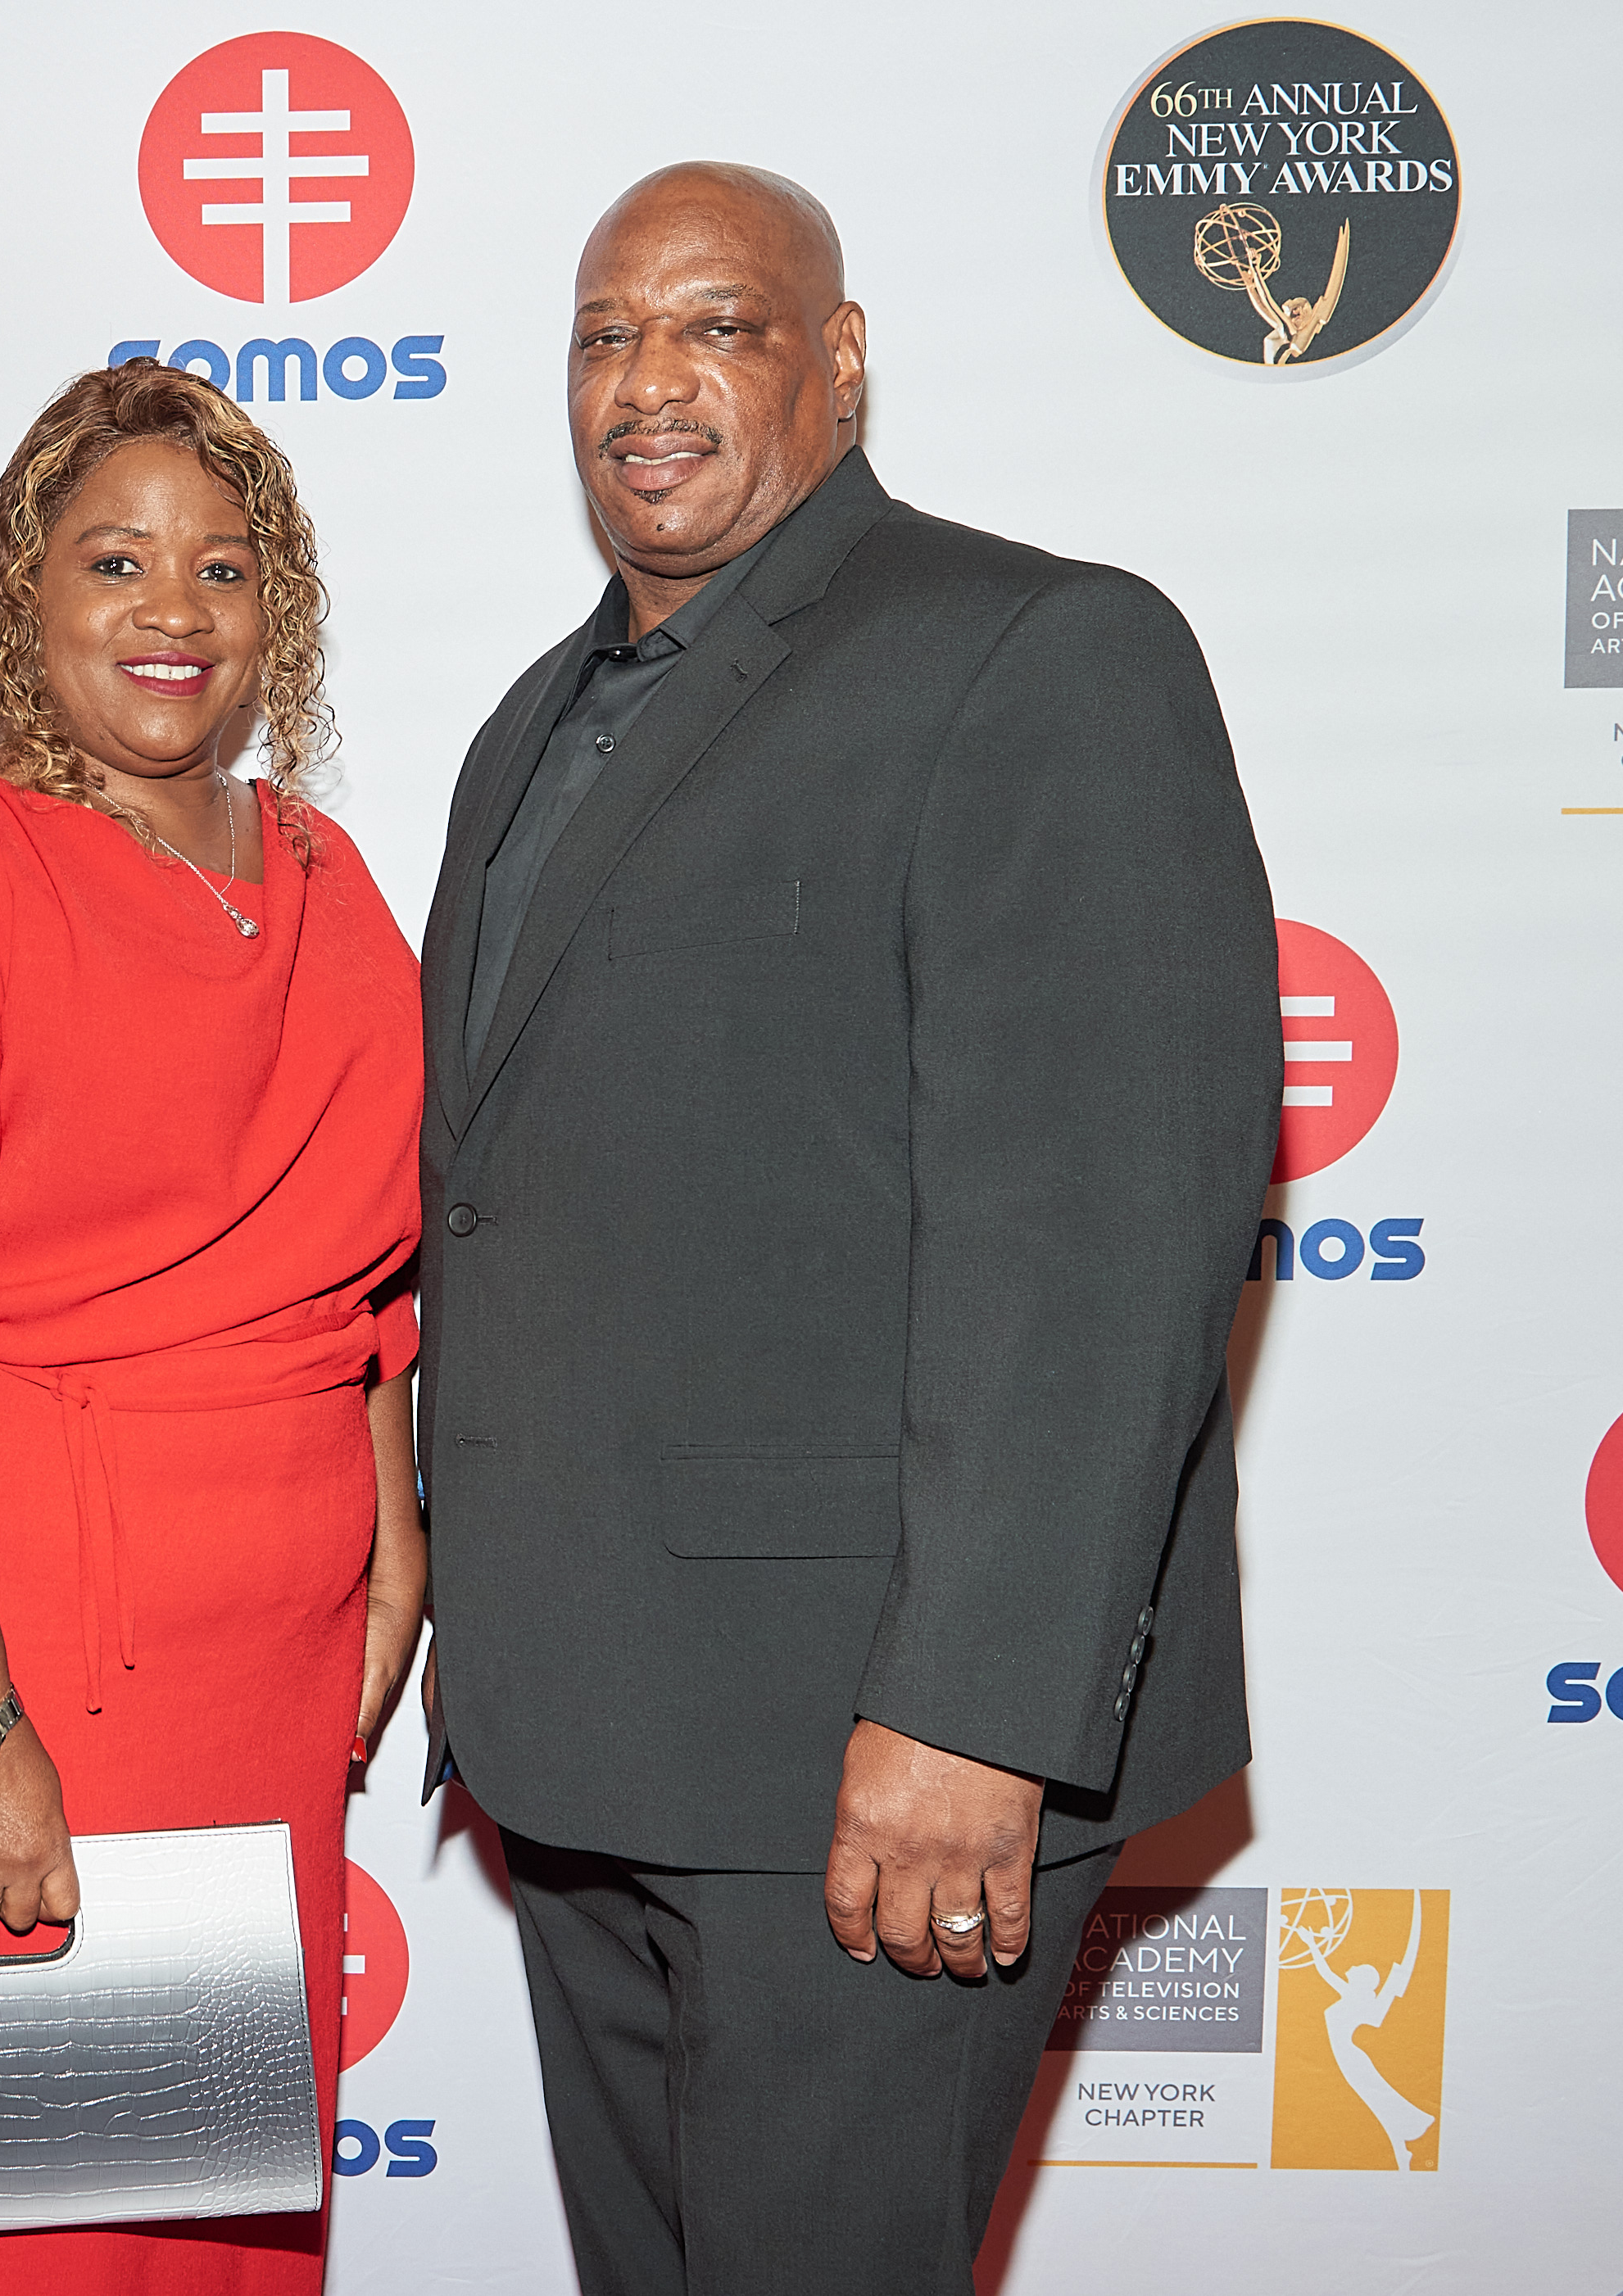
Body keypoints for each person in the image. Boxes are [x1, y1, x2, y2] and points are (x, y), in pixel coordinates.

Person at [415, 164, 1279, 2293]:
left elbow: (1099, 1237)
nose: (649, 381)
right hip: (589, 1739)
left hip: (868, 1759)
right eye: (606, 335)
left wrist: (981, 1713)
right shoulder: (530, 723)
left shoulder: (1033, 650)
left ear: (842, 359)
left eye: (717, 324)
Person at [0, 361, 426, 2294]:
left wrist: (392, 1548)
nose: (171, 609)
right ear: (21, 597)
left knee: (215, 2224)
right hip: (21, 1619)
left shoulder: (327, 875)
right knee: (18, 2229)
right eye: (114, 560)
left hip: (273, 1647)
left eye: (223, 564)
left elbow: (365, 1269)